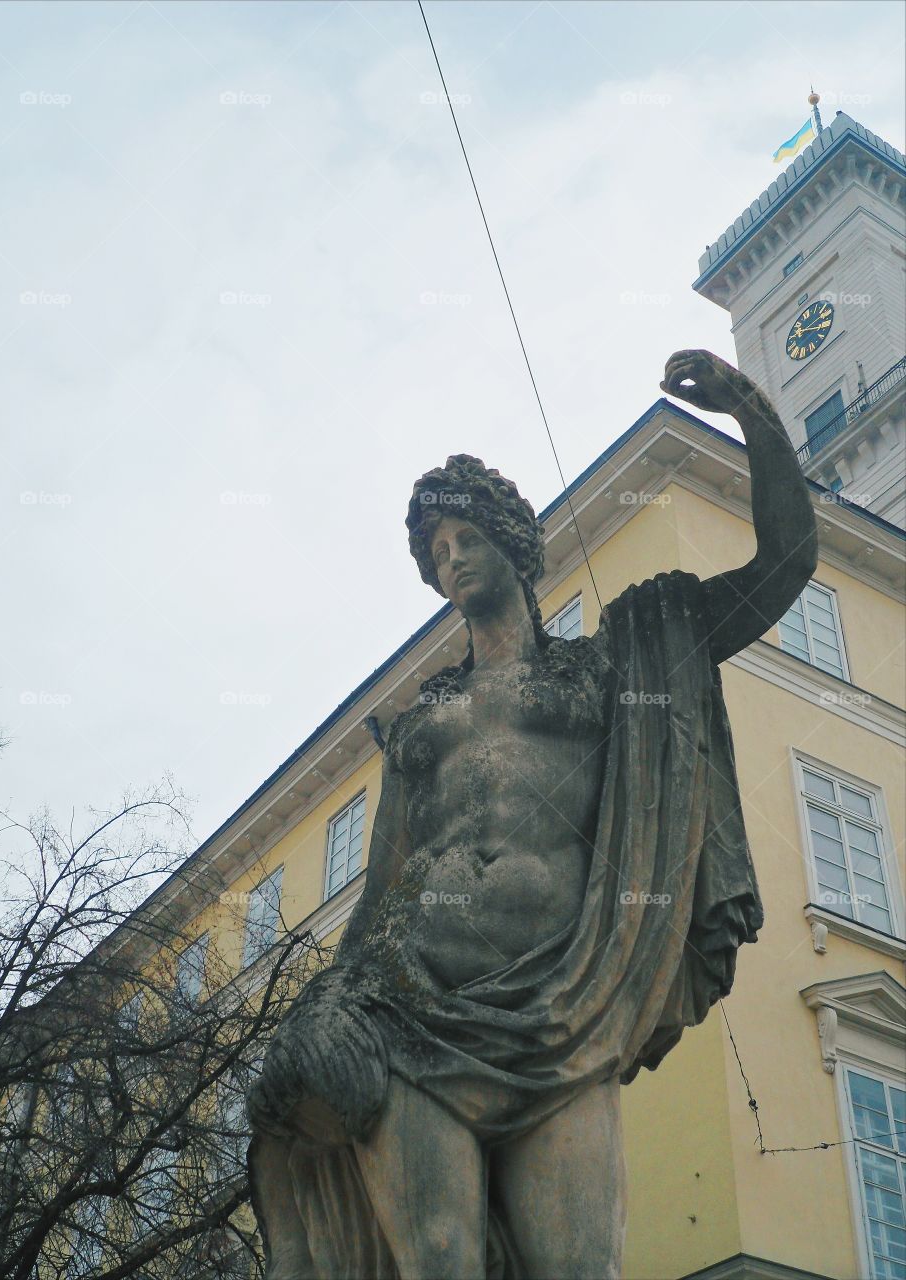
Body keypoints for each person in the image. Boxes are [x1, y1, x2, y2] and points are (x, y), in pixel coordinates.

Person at [246, 350, 818, 1280]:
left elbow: (784, 567)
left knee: (577, 1268)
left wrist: (750, 412)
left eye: (465, 538)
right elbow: (384, 878)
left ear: (514, 544)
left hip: (565, 1011)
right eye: (436, 554)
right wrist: (331, 999)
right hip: (409, 1001)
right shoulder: (424, 720)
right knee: (438, 1261)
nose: (451, 560)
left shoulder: (610, 669)